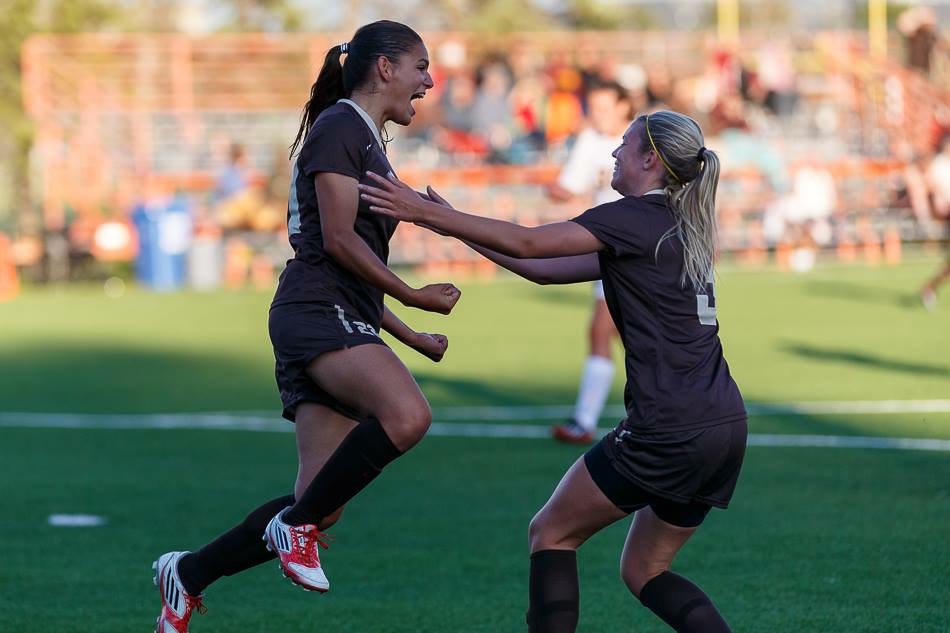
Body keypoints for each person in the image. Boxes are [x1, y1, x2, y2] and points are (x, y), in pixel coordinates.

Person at [359, 109, 748, 633]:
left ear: (650, 160)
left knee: (552, 533)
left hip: (669, 425)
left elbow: (530, 243)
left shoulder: (631, 218)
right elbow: (540, 268)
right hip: (724, 425)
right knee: (645, 570)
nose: (614, 152)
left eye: (625, 144)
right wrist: (455, 228)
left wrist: (425, 213)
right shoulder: (677, 226)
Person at [152, 20, 461, 633]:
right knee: (407, 416)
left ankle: (187, 574)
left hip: (332, 310)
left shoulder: (362, 135)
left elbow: (350, 267)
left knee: (322, 502)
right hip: (317, 311)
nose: (429, 82)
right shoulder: (342, 127)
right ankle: (292, 530)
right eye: (421, 66)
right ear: (385, 68)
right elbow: (339, 242)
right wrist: (416, 297)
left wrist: (409, 335)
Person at [546, 79, 632, 444]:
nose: (596, 115)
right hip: (609, 246)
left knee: (613, 329)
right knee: (621, 331)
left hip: (637, 247)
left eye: (603, 107)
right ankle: (588, 419)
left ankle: (585, 420)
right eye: (592, 107)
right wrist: (557, 190)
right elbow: (571, 185)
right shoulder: (590, 141)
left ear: (624, 106)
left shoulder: (641, 137)